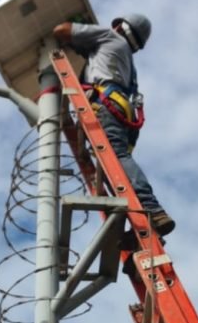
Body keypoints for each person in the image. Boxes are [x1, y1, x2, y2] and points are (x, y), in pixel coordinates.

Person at [53, 13, 176, 236]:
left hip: (107, 105)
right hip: (121, 109)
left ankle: (151, 207)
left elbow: (61, 30)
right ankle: (141, 226)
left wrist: (78, 31)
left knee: (117, 157)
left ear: (121, 28)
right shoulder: (128, 61)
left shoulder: (109, 37)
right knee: (114, 168)